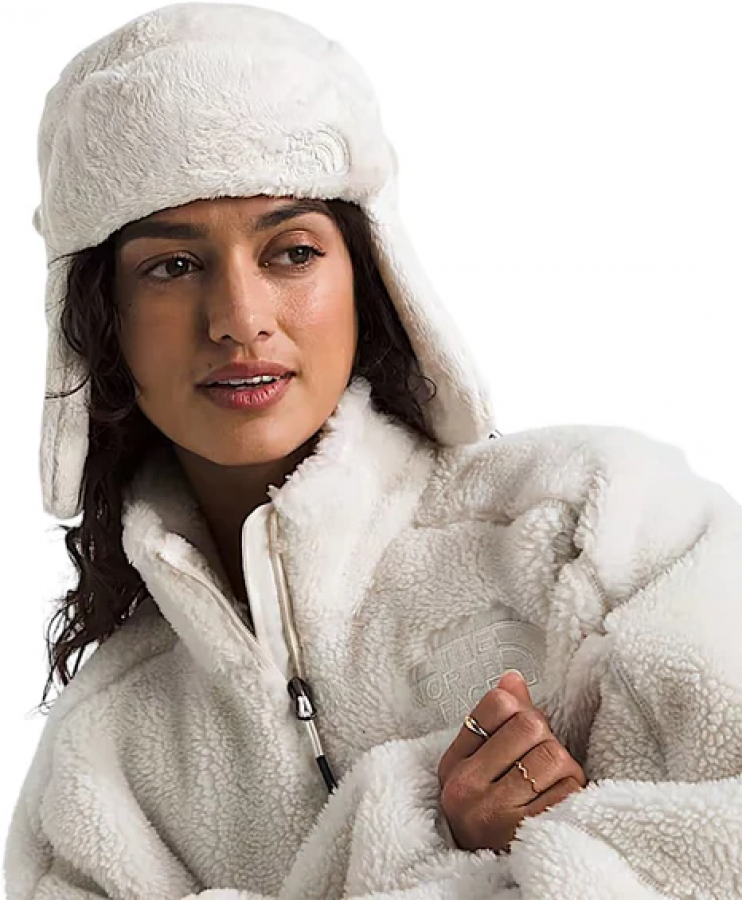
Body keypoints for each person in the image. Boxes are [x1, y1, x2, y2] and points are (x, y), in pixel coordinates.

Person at [4, 3, 742, 898]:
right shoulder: (97, 766)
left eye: (291, 252)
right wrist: (427, 839)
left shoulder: (602, 525)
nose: (239, 319)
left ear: (371, 273)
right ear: (99, 323)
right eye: (173, 266)